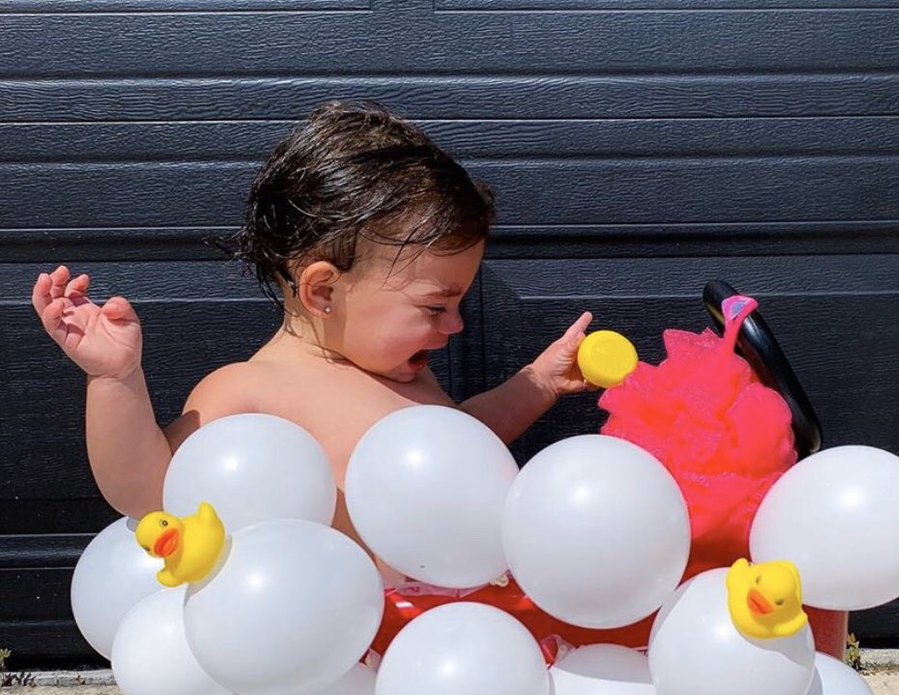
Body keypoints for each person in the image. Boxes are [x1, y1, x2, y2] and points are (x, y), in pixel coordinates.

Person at [30, 100, 594, 546]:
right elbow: (149, 493)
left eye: (458, 306)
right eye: (434, 307)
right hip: (340, 649)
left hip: (446, 623)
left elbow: (462, 446)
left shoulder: (407, 379)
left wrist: (538, 382)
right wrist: (115, 379)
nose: (456, 326)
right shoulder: (248, 392)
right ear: (324, 290)